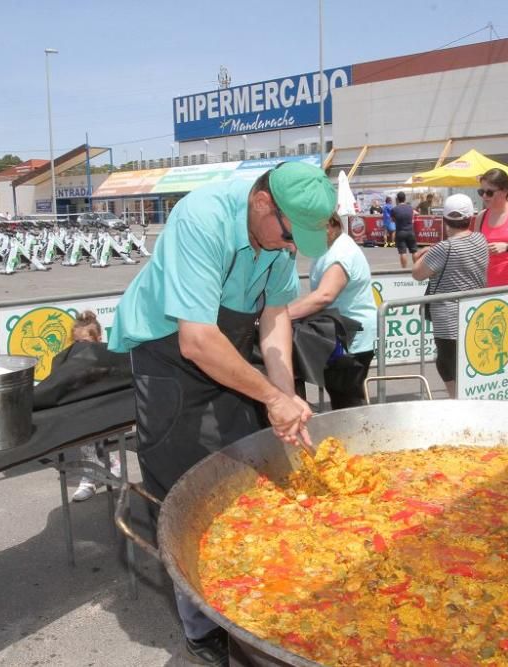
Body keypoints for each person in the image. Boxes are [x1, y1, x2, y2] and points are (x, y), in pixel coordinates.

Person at [109, 160, 335, 666]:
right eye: (288, 233)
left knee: (247, 473)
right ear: (262, 204)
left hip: (225, 351)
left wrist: (284, 398)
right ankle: (201, 628)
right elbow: (196, 340)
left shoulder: (275, 237)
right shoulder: (202, 218)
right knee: (183, 490)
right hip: (170, 353)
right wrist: (272, 398)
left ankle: (258, 599)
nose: (292, 246)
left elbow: (275, 317)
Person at [288, 213, 377, 409]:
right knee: (345, 397)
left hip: (350, 337)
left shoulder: (340, 254)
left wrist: (281, 316)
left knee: (347, 400)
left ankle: (355, 437)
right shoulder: (331, 247)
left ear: (330, 225)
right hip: (342, 332)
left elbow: (324, 296)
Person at [412, 194, 489, 398]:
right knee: (468, 361)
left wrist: (424, 254)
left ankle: (458, 402)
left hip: (448, 315)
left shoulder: (444, 248)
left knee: (447, 363)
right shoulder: (480, 240)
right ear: (470, 217)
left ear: (444, 219)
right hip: (474, 312)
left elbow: (418, 273)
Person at [66, 311, 122, 501]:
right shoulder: (72, 361)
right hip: (84, 410)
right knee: (86, 438)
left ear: (98, 339)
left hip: (103, 408)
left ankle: (101, 469)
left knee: (96, 437)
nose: (79, 348)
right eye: (76, 343)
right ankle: (94, 472)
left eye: (84, 343)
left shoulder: (106, 358)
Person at [391, 191, 418, 268]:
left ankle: (404, 269)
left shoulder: (394, 209)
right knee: (414, 250)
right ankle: (416, 266)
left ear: (397, 199)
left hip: (400, 231)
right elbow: (416, 213)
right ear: (405, 199)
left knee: (403, 252)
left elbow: (392, 220)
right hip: (410, 231)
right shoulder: (410, 208)